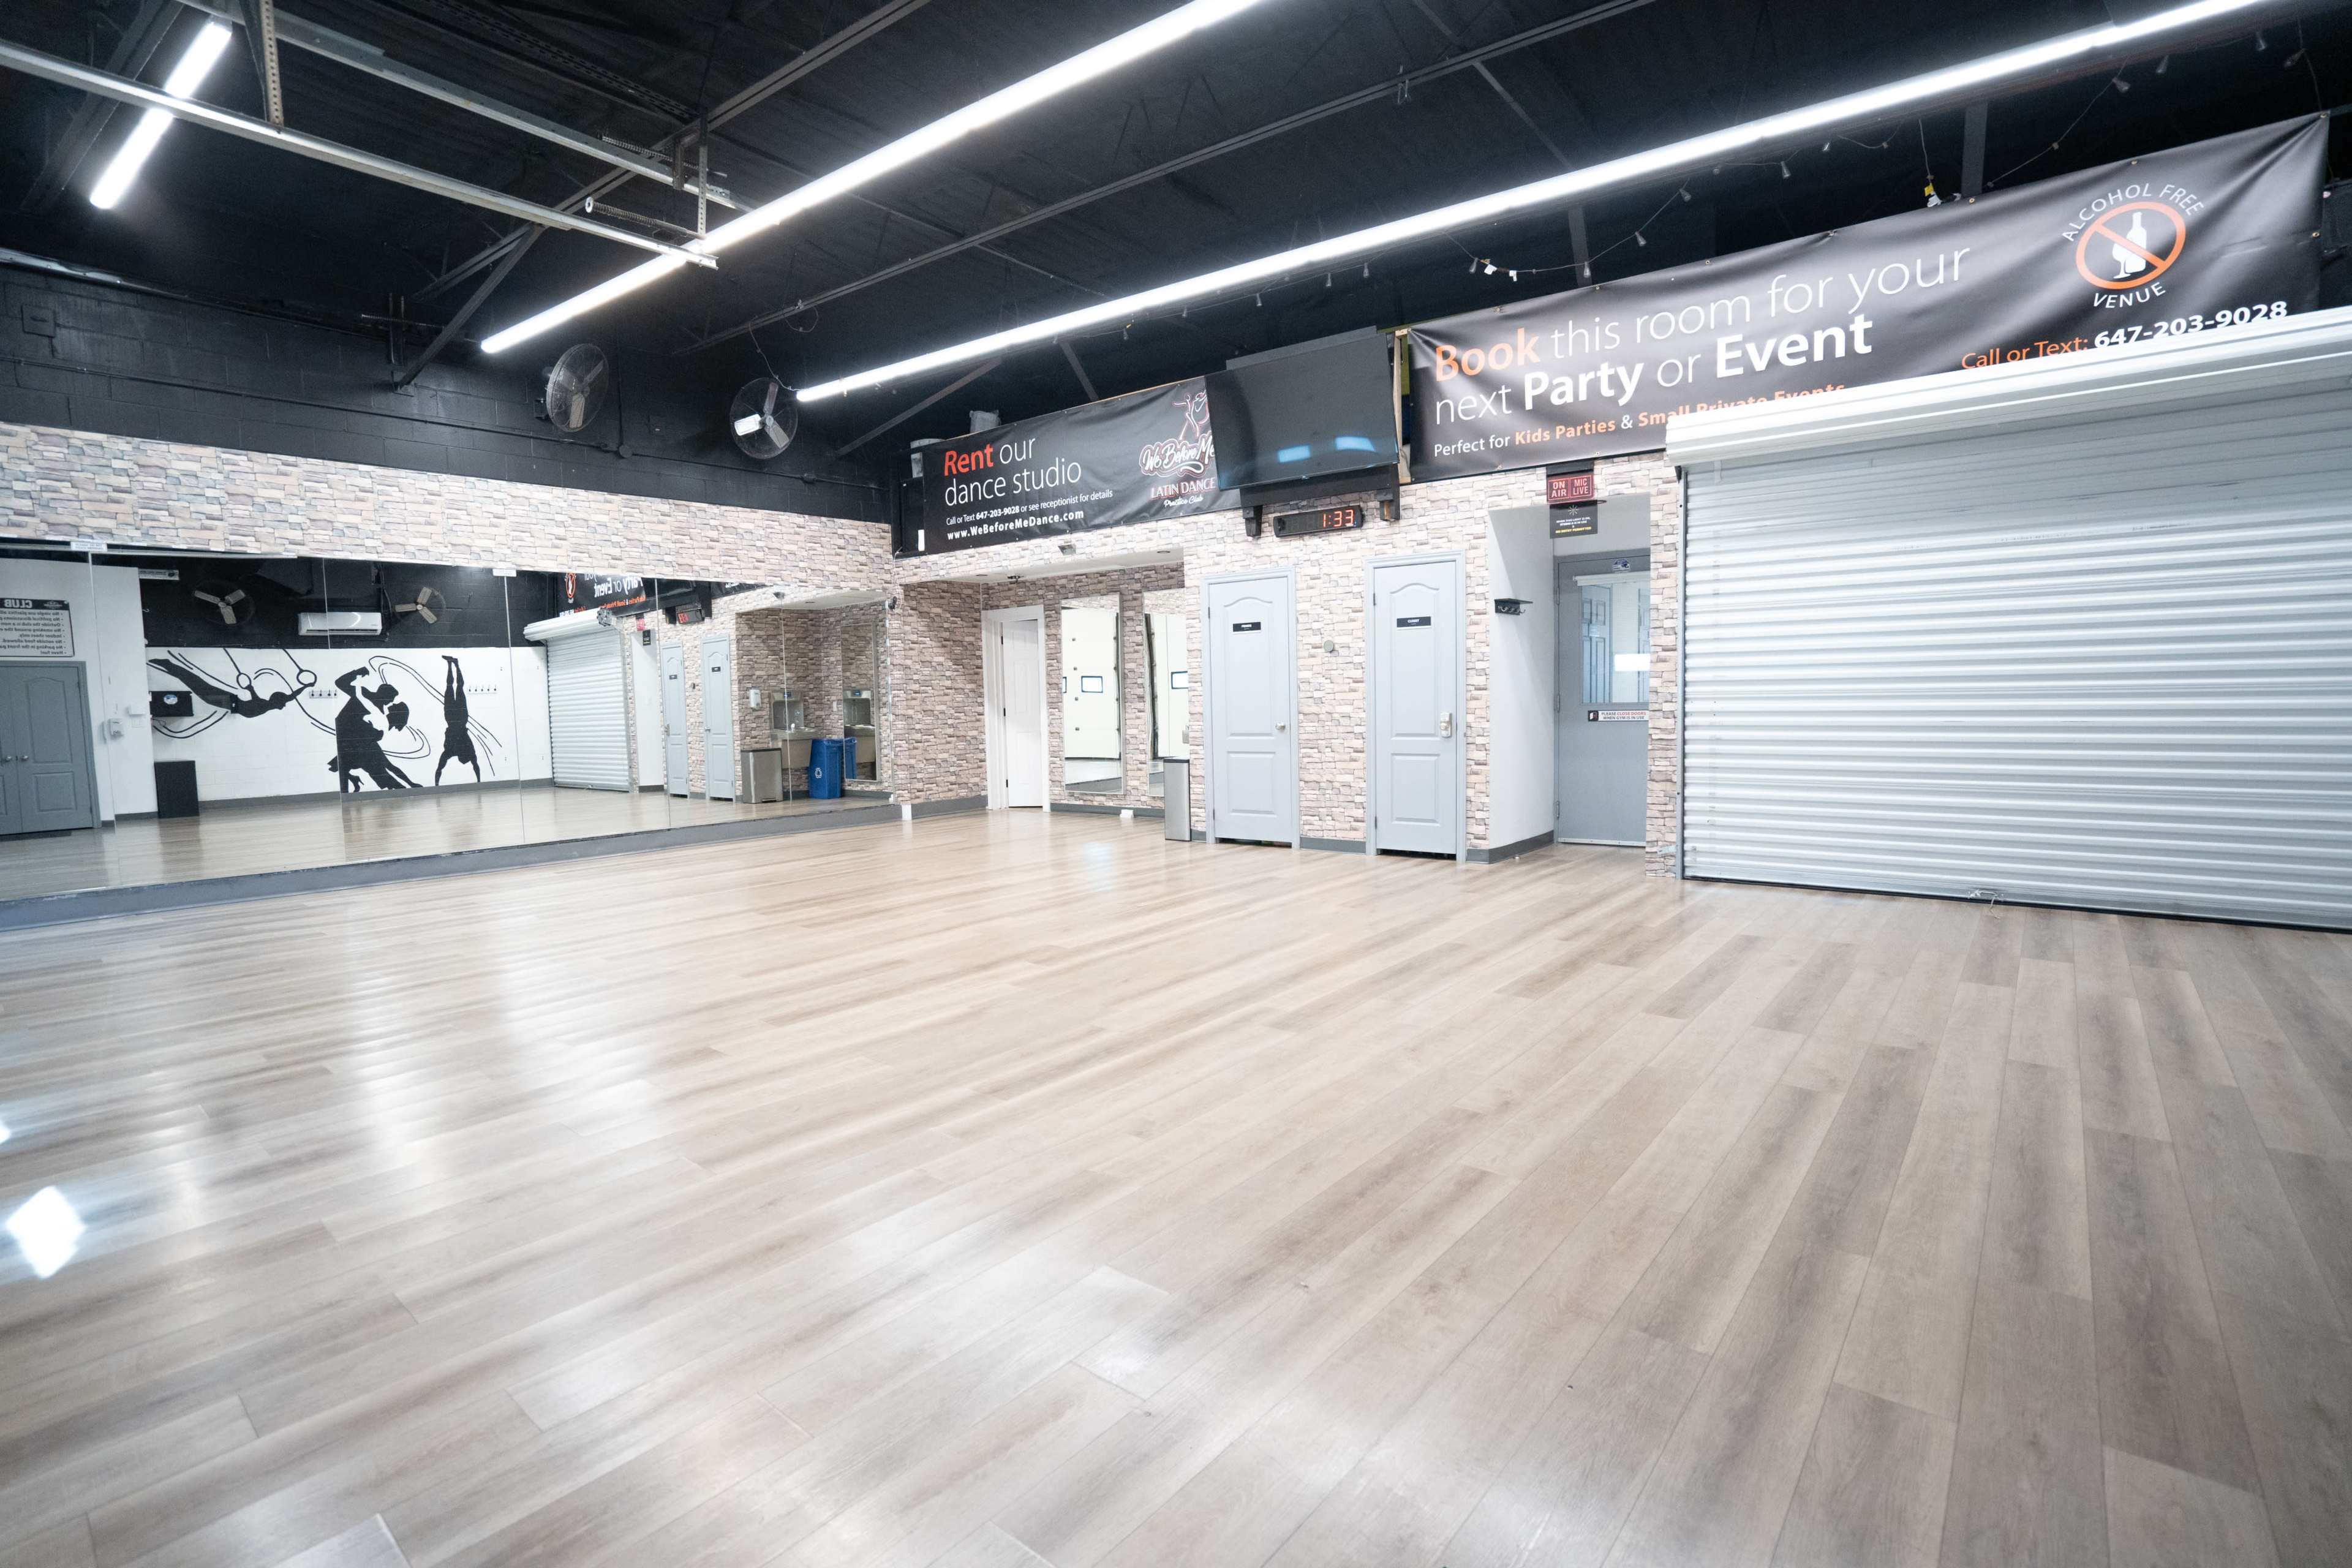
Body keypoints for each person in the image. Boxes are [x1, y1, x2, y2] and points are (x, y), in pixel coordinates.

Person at [329, 666, 413, 791]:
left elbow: (378, 728)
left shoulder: (380, 710)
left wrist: (378, 733)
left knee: (379, 765)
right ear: (383, 694)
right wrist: (357, 672)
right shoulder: (363, 694)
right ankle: (396, 786)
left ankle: (398, 786)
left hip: (361, 739)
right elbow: (340, 682)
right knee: (353, 765)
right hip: (349, 735)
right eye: (390, 699)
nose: (390, 702)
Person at [148, 654, 302, 718]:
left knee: (197, 685)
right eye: (283, 703)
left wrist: (308, 686)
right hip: (229, 701)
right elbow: (291, 697)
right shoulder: (267, 704)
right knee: (197, 685)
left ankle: (171, 667)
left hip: (230, 702)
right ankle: (169, 666)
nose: (285, 705)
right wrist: (306, 686)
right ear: (276, 701)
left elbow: (289, 697)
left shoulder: (267, 704)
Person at [434, 655, 481, 785]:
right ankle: (455, 664)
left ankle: (451, 664)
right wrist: (479, 782)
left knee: (452, 687)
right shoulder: (467, 750)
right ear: (462, 756)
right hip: (459, 718)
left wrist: (437, 785)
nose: (461, 760)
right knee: (457, 687)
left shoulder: (452, 751)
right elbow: (475, 765)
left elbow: (440, 768)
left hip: (452, 718)